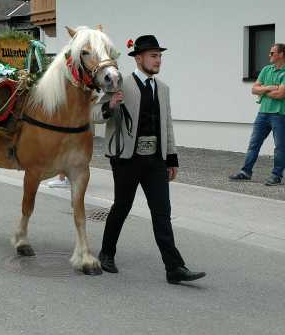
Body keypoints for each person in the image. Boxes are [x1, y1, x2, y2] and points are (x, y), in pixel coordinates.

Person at [92, 34, 206, 284]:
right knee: (122, 207)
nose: (158, 61)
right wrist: (109, 105)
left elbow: (167, 125)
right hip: (126, 158)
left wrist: (172, 159)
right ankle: (107, 253)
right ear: (139, 58)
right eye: (154, 56)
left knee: (162, 212)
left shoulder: (162, 89)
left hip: (155, 160)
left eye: (160, 56)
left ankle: (174, 268)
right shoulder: (120, 83)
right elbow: (94, 115)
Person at [229, 43, 285, 186]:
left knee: (280, 147)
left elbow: (280, 94)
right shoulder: (266, 69)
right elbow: (254, 89)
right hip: (263, 113)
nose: (269, 55)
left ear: (281, 54)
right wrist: (270, 87)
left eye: (272, 53)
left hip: (280, 115)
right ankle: (245, 172)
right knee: (254, 144)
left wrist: (263, 90)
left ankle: (276, 176)